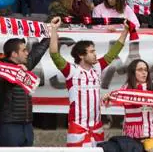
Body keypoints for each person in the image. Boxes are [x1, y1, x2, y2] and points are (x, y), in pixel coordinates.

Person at [49, 17, 128, 147]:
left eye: (95, 51)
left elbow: (113, 52)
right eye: (91, 52)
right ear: (81, 55)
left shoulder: (97, 68)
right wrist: (53, 30)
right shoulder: (71, 71)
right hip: (78, 128)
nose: (95, 54)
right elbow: (54, 54)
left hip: (97, 127)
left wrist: (125, 31)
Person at [0, 25, 50, 147]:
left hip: (27, 124)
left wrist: (50, 34)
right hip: (8, 125)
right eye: (23, 50)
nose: (27, 53)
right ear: (14, 54)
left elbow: (38, 52)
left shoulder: (25, 66)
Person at [118, 60, 153, 142]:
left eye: (145, 70)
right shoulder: (125, 89)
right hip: (131, 135)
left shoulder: (152, 88)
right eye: (140, 70)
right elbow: (113, 101)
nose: (144, 73)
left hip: (150, 133)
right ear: (133, 72)